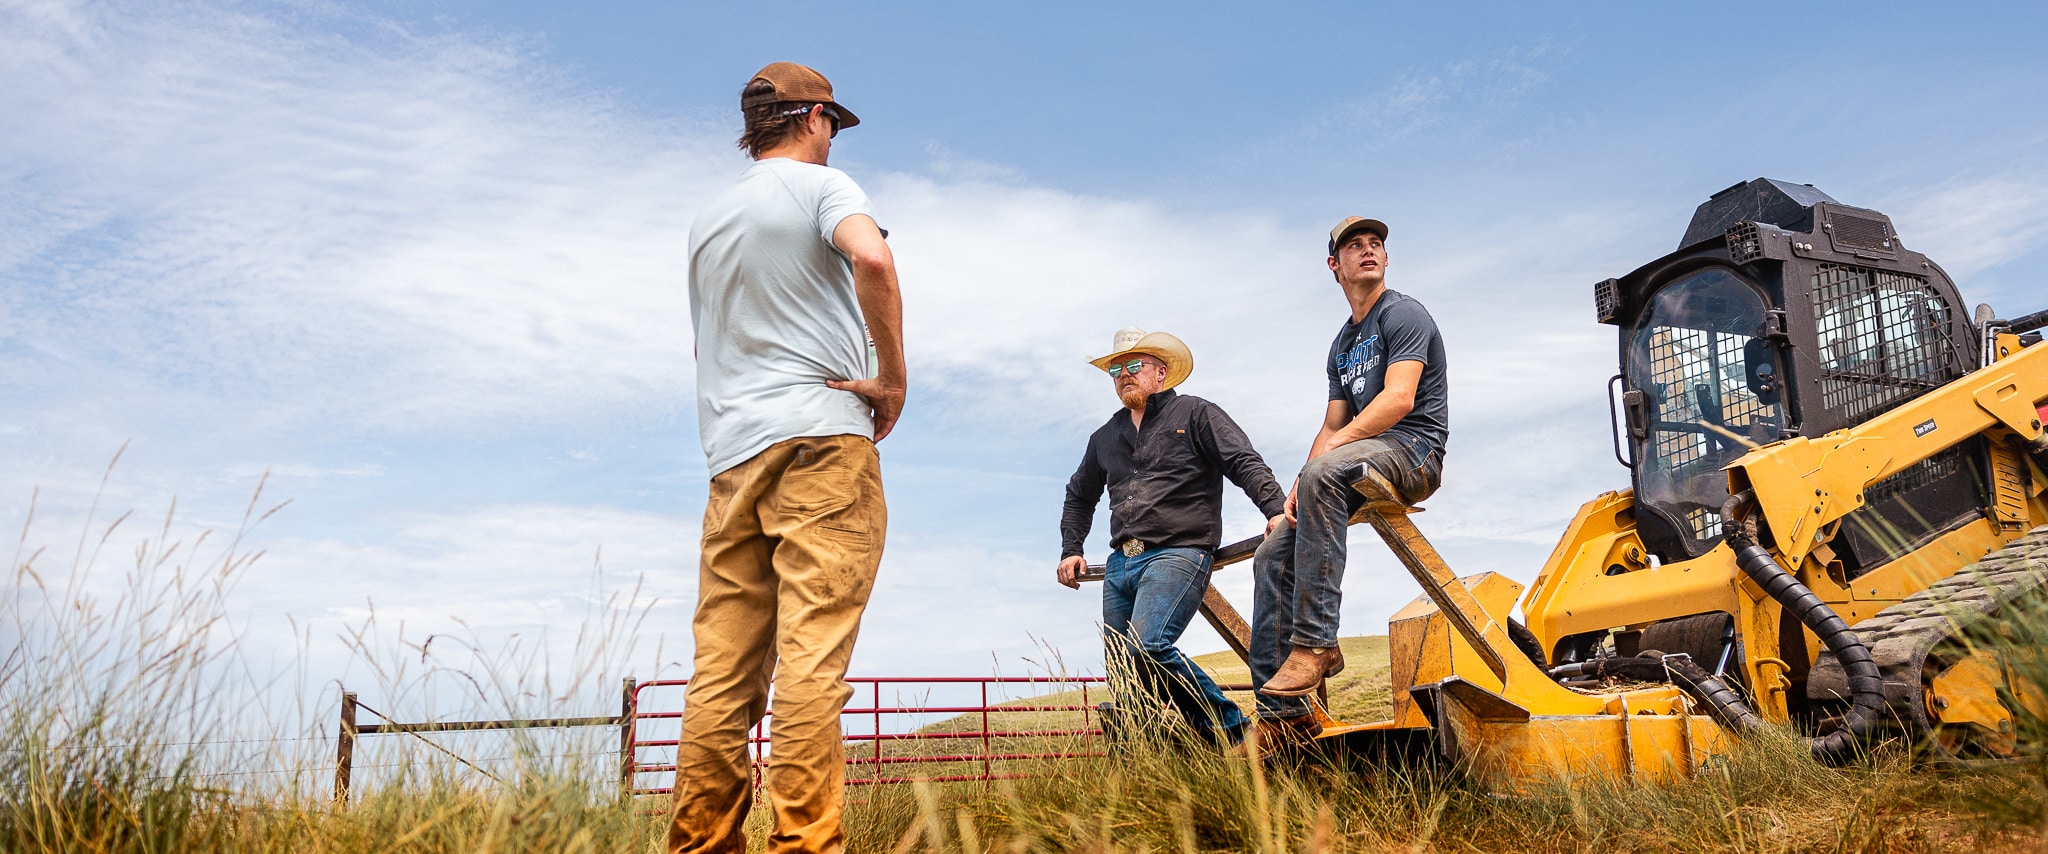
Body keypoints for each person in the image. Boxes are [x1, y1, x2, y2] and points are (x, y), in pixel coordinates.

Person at [669, 61, 905, 853]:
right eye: (833, 122)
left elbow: (704, 342)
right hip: (819, 444)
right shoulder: (822, 191)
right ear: (813, 118)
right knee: (812, 653)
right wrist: (891, 380)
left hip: (732, 458)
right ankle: (807, 845)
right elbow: (872, 260)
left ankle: (701, 843)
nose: (834, 137)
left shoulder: (708, 218)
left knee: (724, 668)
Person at [1243, 216, 1449, 755]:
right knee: (1271, 554)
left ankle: (1316, 643)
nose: (1368, 251)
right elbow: (1332, 425)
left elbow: (1399, 400)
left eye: (1376, 243)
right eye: (1354, 246)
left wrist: (1324, 463)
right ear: (1334, 265)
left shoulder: (1403, 313)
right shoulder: (1341, 344)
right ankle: (1281, 717)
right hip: (1353, 462)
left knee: (1325, 471)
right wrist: (1298, 484)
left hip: (1414, 452)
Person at [1058, 327, 1288, 748]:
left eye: (1133, 366)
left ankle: (1236, 734)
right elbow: (1079, 495)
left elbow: (1243, 461)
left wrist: (1275, 510)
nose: (1123, 375)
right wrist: (1072, 549)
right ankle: (1158, 766)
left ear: (1161, 373)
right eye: (1116, 369)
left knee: (1148, 647)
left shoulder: (1196, 414)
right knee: (1127, 676)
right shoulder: (1104, 438)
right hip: (1120, 564)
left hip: (1178, 553)